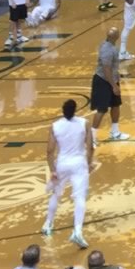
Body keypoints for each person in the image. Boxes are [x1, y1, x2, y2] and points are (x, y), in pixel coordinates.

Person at [43, 99, 94, 248]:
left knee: (56, 195)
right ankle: (77, 231)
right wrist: (89, 163)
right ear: (75, 110)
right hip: (79, 164)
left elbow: (49, 151)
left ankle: (48, 224)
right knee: (80, 197)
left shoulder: (55, 126)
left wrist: (52, 170)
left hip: (62, 164)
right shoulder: (84, 123)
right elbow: (90, 147)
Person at [88, 27, 128, 142]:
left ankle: (115, 132)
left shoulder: (109, 45)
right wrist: (114, 86)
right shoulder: (107, 50)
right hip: (103, 81)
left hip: (112, 79)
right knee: (101, 109)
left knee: (116, 105)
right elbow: (106, 69)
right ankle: (92, 137)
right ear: (116, 36)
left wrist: (117, 76)